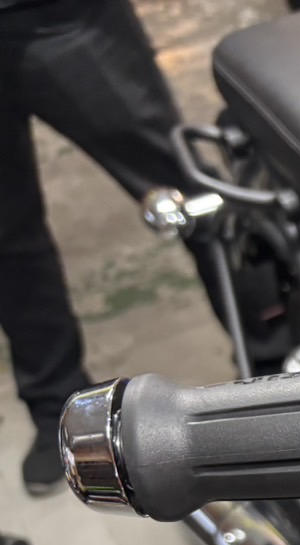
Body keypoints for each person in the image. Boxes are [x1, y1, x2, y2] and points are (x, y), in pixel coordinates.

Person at [0, 0, 217, 495]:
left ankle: (274, 358)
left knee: (185, 193)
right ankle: (53, 403)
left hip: (61, 15)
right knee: (5, 241)